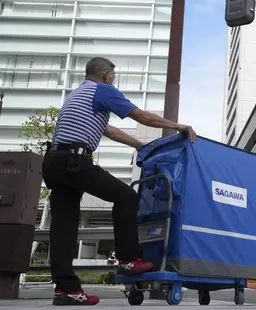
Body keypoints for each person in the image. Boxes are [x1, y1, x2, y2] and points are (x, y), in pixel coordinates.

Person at [43, 57, 197, 306]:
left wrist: (137, 144)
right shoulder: (103, 90)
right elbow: (141, 115)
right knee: (127, 197)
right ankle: (129, 259)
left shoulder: (78, 95)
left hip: (54, 162)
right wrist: (179, 126)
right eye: (113, 75)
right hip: (74, 161)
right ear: (106, 75)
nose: (114, 79)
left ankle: (65, 290)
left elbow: (107, 130)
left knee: (64, 227)